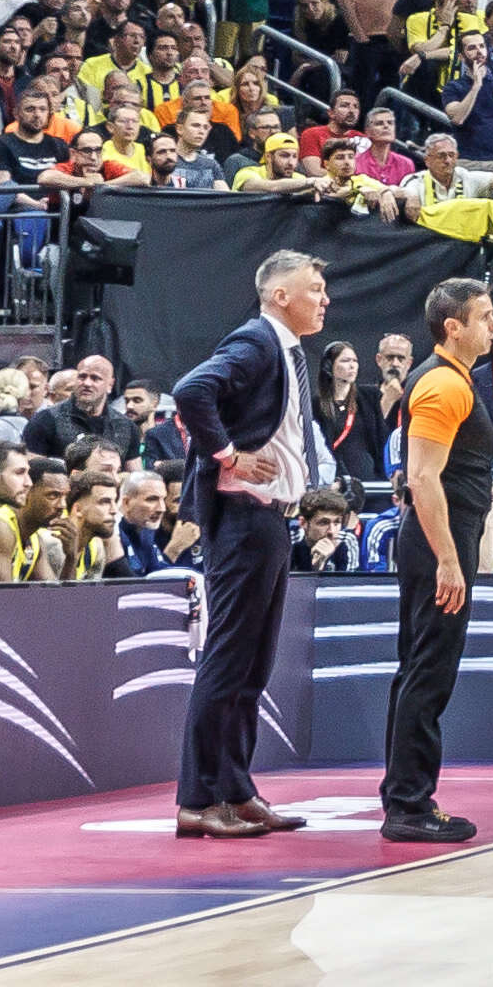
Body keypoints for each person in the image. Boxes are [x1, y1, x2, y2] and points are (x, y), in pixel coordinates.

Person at [164, 247, 335, 841]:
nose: (325, 298)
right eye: (314, 288)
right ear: (279, 295)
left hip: (268, 521)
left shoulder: (284, 349)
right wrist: (227, 454)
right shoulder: (258, 341)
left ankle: (237, 790)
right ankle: (197, 799)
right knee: (228, 658)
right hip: (241, 516)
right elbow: (191, 390)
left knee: (253, 664)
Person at [382, 278, 493, 843]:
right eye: (485, 317)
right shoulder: (442, 387)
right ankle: (408, 806)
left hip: (442, 540)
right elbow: (423, 478)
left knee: (419, 671)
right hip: (437, 544)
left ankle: (402, 797)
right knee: (427, 674)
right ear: (453, 327)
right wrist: (449, 561)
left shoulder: (457, 380)